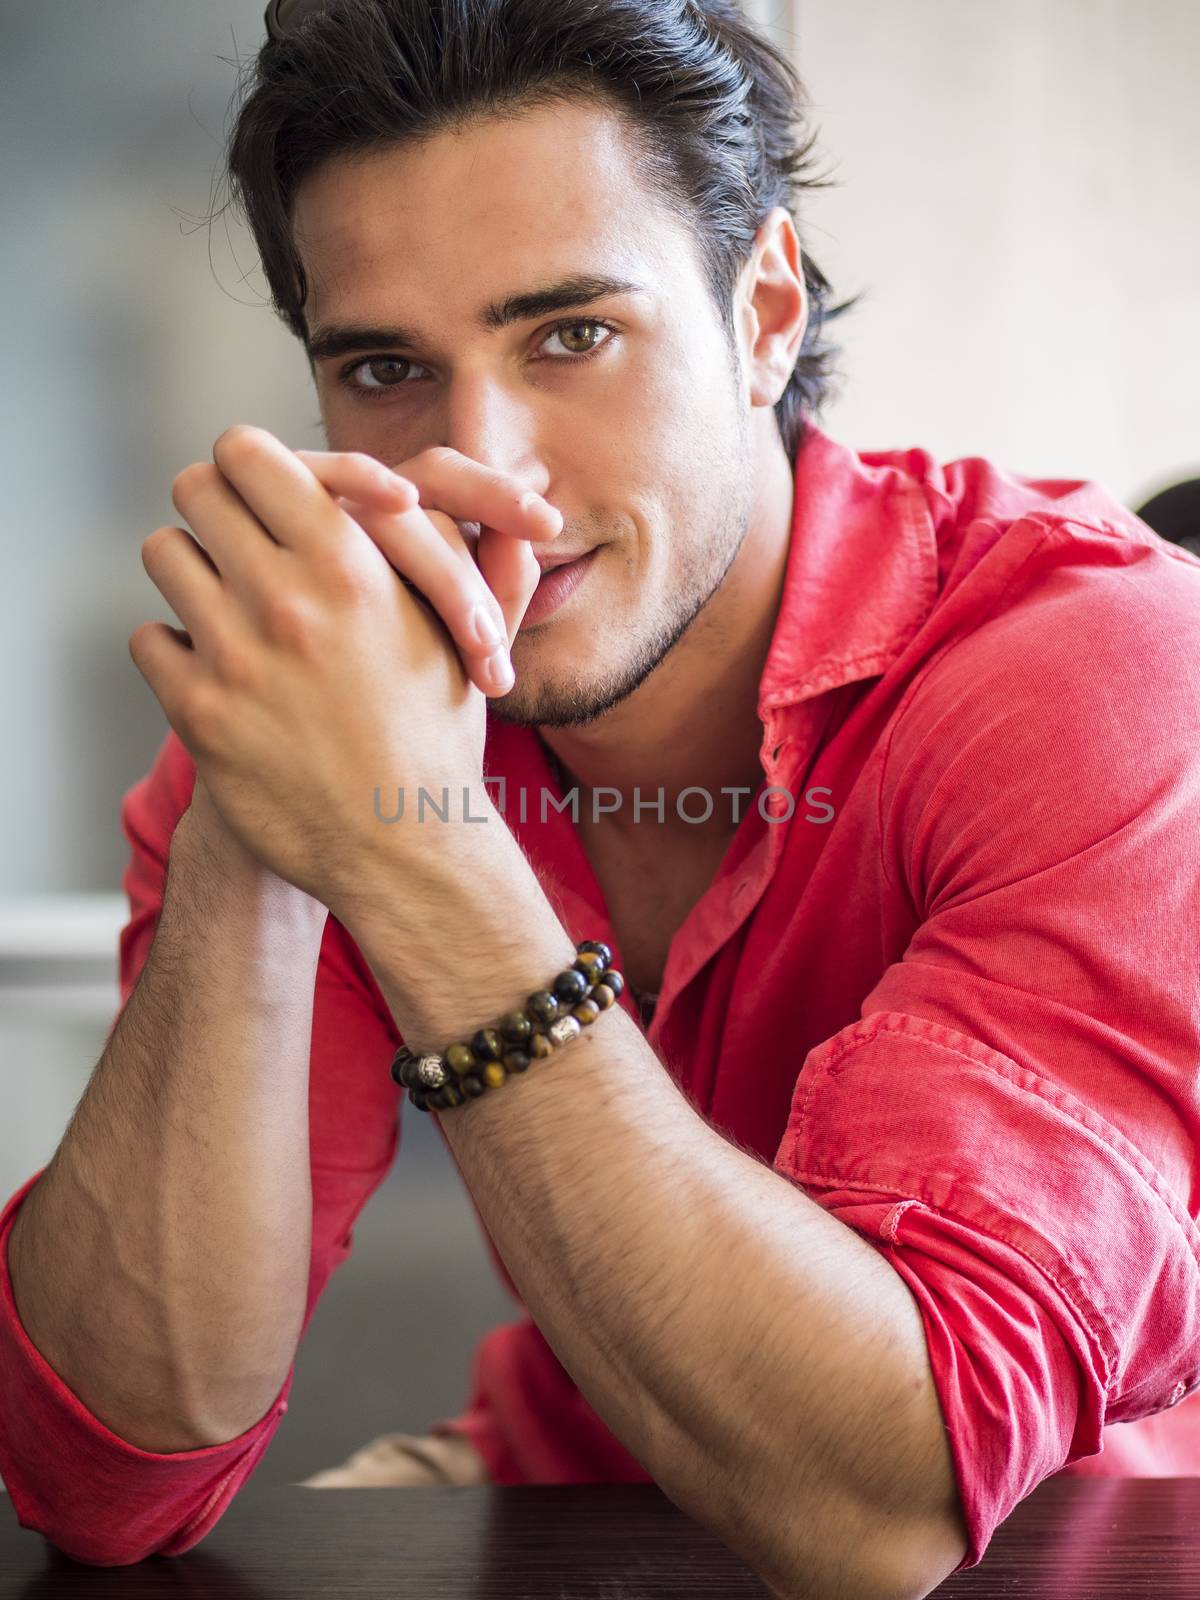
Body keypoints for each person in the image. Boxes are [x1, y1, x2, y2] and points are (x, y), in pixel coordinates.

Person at [2, 0, 1198, 1590]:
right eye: (384, 367)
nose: (488, 464)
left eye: (571, 335)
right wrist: (252, 828)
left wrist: (404, 853)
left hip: (1080, 1543)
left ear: (765, 309)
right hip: (564, 1496)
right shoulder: (331, 699)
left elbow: (888, 1509)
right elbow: (104, 1480)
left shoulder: (1104, 670)